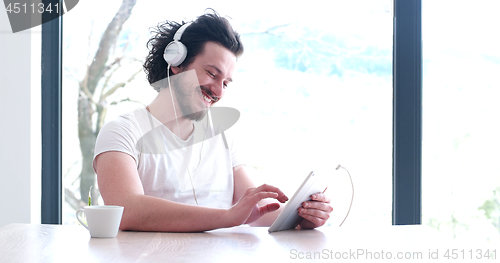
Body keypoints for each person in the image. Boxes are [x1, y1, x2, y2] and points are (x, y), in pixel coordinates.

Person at [93, 10, 333, 232]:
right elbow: (126, 211)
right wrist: (227, 217)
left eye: (226, 82)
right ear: (176, 63)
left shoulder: (222, 136)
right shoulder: (122, 132)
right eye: (211, 74)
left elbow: (255, 212)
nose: (218, 91)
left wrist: (301, 217)